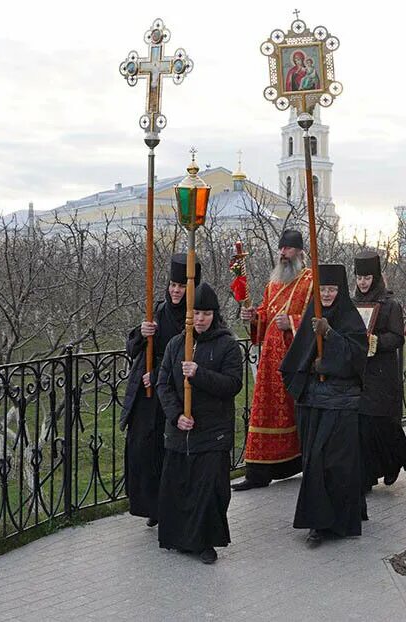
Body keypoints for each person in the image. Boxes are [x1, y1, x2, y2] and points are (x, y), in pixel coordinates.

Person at [155, 282, 243, 564]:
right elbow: (164, 384)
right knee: (179, 487)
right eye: (196, 313)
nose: (201, 319)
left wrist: (199, 373)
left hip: (212, 433)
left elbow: (232, 384)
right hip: (181, 431)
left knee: (208, 491)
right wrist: (175, 416)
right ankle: (180, 539)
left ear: (214, 315)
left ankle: (205, 542)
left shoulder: (227, 345)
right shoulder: (176, 344)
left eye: (206, 313)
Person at [281, 264, 368, 545]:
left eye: (332, 289)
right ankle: (317, 523)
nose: (327, 294)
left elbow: (357, 357)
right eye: (323, 289)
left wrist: (329, 336)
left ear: (340, 291)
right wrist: (311, 366)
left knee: (337, 463)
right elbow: (296, 360)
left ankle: (341, 521)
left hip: (341, 402)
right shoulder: (311, 316)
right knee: (314, 462)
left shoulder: (350, 318)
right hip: (313, 402)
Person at [121, 253, 197, 527]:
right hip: (147, 396)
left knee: (170, 452)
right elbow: (131, 349)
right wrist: (142, 333)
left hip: (175, 394)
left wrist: (161, 375)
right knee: (143, 448)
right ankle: (150, 505)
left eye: (182, 286)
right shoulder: (158, 311)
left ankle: (170, 506)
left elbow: (191, 356)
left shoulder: (194, 318)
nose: (176, 291)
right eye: (173, 285)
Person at [235, 229, 313, 491]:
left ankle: (296, 462)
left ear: (299, 252)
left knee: (294, 413)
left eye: (288, 249)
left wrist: (291, 322)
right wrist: (253, 318)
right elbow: (263, 317)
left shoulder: (310, 281)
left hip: (295, 361)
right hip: (269, 363)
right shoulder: (272, 284)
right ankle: (258, 472)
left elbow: (319, 319)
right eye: (281, 249)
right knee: (264, 413)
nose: (283, 253)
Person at [353, 251, 406, 489]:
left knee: (384, 424)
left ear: (376, 278)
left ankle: (395, 461)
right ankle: (366, 476)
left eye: (367, 278)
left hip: (383, 373)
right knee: (362, 425)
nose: (363, 282)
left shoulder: (391, 304)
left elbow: (398, 337)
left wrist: (375, 342)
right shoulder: (353, 303)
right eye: (359, 278)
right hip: (360, 373)